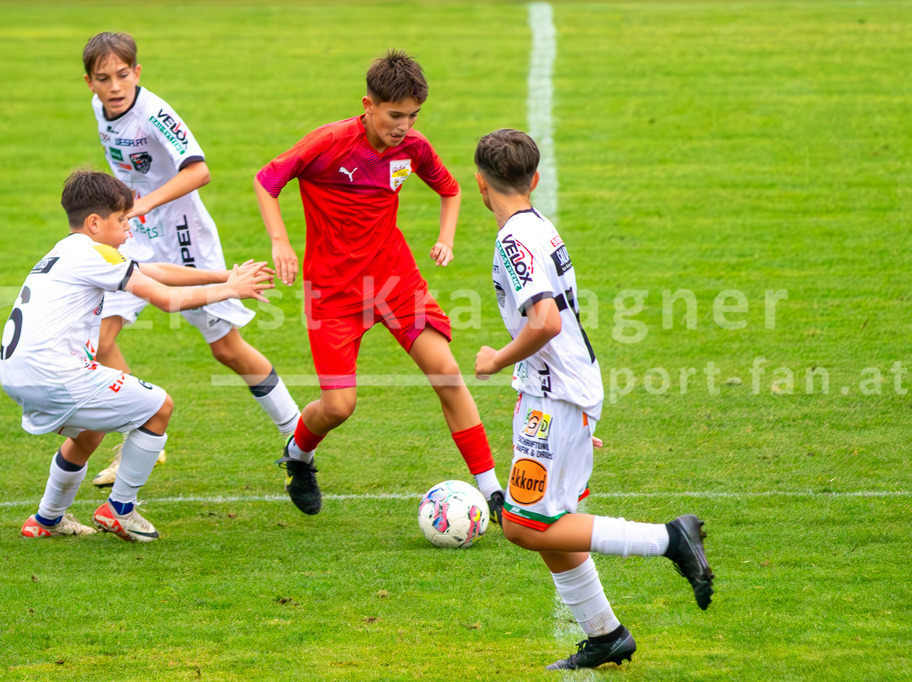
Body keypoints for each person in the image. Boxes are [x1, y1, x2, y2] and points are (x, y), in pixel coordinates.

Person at [471, 129, 715, 670]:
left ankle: (670, 539)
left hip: (554, 394)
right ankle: (606, 636)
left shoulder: (513, 242)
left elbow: (547, 321)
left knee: (523, 525)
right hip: (562, 390)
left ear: (480, 185)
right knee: (551, 520)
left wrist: (496, 359)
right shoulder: (538, 226)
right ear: (533, 180)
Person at [253, 49, 504, 520]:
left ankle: (492, 491)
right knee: (339, 406)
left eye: (412, 116)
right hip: (332, 293)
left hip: (394, 281)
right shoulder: (329, 143)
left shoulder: (414, 148)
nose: (404, 125)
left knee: (447, 374)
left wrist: (445, 238)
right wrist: (281, 242)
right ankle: (298, 455)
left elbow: (450, 190)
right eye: (395, 115)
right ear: (367, 105)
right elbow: (266, 181)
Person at [0, 170, 274, 542]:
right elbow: (165, 298)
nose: (130, 227)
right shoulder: (94, 254)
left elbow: (154, 270)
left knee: (90, 431)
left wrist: (225, 275)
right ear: (95, 223)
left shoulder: (69, 250)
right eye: (122, 219)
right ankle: (119, 509)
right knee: (159, 406)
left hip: (18, 373)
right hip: (55, 373)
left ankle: (46, 520)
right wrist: (230, 290)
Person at [82, 32, 301, 487]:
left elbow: (199, 170)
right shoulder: (99, 109)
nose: (115, 86)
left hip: (185, 239)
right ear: (90, 83)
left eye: (123, 75)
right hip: (135, 238)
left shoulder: (155, 113)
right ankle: (137, 432)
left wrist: (144, 203)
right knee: (100, 338)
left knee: (227, 348)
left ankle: (297, 436)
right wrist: (129, 213)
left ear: (137, 73)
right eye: (104, 79)